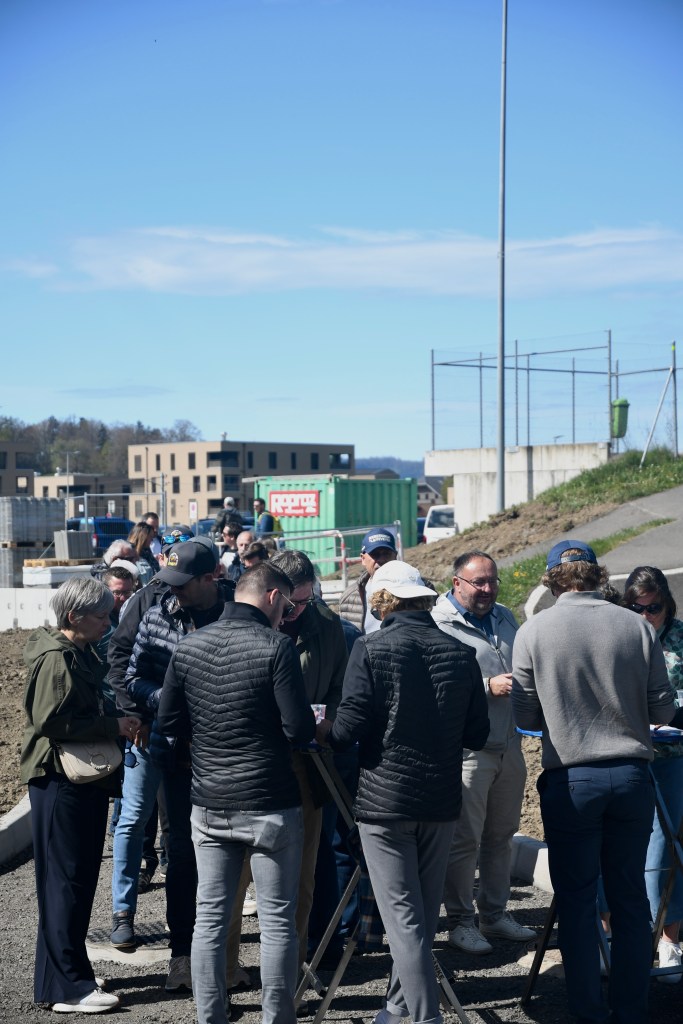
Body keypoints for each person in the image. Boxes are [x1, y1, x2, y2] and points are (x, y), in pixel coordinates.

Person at [512, 540, 675, 1024]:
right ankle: (631, 1010)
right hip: (630, 774)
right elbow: (663, 708)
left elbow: (525, 715)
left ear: (551, 580)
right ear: (597, 575)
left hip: (572, 777)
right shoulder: (635, 625)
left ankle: (587, 1011)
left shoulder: (533, 631)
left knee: (579, 904)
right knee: (629, 898)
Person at [319, 560, 489, 1024]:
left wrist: (323, 728)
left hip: (385, 801)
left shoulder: (370, 647)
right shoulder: (460, 653)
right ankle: (397, 1007)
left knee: (405, 922)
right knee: (420, 918)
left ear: (383, 601)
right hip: (440, 799)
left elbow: (348, 729)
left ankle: (425, 1017)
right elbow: (477, 734)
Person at [157, 561, 316, 1024]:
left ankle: (210, 1016)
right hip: (269, 799)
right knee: (277, 920)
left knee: (209, 917)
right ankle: (276, 1017)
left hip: (209, 799)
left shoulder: (190, 645)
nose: (287, 616)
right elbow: (298, 728)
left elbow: (167, 722)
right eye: (287, 607)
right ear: (272, 597)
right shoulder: (277, 646)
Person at [110, 540, 234, 995]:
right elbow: (132, 675)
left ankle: (224, 958)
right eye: (170, 582)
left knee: (229, 856)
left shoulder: (238, 616)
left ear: (211, 578)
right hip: (175, 754)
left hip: (231, 757)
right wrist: (167, 700)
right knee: (181, 852)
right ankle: (182, 955)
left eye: (183, 583)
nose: (174, 591)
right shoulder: (156, 614)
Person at [20, 577, 141, 1014]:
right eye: (102, 615)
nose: (108, 622)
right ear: (74, 616)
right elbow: (50, 721)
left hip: (71, 781)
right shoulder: (59, 657)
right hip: (60, 780)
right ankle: (69, 988)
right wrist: (113, 726)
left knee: (70, 882)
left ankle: (62, 977)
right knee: (66, 884)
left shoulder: (75, 650)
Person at [432, 550, 535, 953]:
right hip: (468, 751)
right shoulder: (439, 623)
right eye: (480, 582)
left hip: (509, 743)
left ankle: (494, 915)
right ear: (457, 582)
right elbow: (436, 684)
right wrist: (486, 686)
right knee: (464, 840)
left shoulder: (504, 616)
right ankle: (460, 921)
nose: (488, 589)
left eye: (493, 581)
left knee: (501, 836)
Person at [270, 549, 348, 966]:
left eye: (306, 600)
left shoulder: (327, 624)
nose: (297, 611)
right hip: (267, 754)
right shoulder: (260, 621)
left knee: (319, 855)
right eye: (291, 603)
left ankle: (322, 946)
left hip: (315, 755)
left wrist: (327, 720)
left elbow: (340, 683)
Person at [623, 565, 683, 982]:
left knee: (664, 849)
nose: (646, 616)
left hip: (671, 755)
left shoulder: (679, 637)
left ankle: (668, 937)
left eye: (654, 608)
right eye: (637, 608)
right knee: (621, 846)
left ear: (667, 604)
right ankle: (620, 934)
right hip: (625, 754)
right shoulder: (620, 634)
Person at [338, 528, 398, 634]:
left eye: (386, 553)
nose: (381, 559)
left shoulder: (418, 591)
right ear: (363, 559)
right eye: (375, 554)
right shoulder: (350, 597)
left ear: (395, 556)